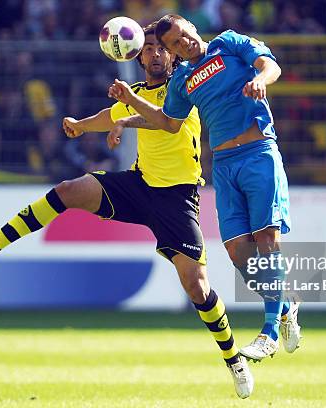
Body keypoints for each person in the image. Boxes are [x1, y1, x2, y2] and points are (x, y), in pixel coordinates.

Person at [0, 22, 254, 399]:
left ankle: (233, 359)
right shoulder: (137, 92)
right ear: (138, 55)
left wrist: (127, 109)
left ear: (172, 52)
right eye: (147, 48)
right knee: (69, 190)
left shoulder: (187, 83)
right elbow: (112, 114)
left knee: (196, 286)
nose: (154, 53)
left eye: (160, 48)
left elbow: (165, 121)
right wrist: (81, 126)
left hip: (178, 198)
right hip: (140, 184)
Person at [107, 14, 301, 364]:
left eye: (185, 34)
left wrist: (259, 80)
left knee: (267, 239)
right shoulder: (182, 80)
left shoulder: (228, 43)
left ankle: (270, 330)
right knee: (239, 255)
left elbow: (270, 66)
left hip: (259, 153)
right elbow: (167, 122)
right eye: (175, 44)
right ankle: (285, 305)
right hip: (225, 166)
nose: (185, 43)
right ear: (170, 52)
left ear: (193, 28)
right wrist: (126, 112)